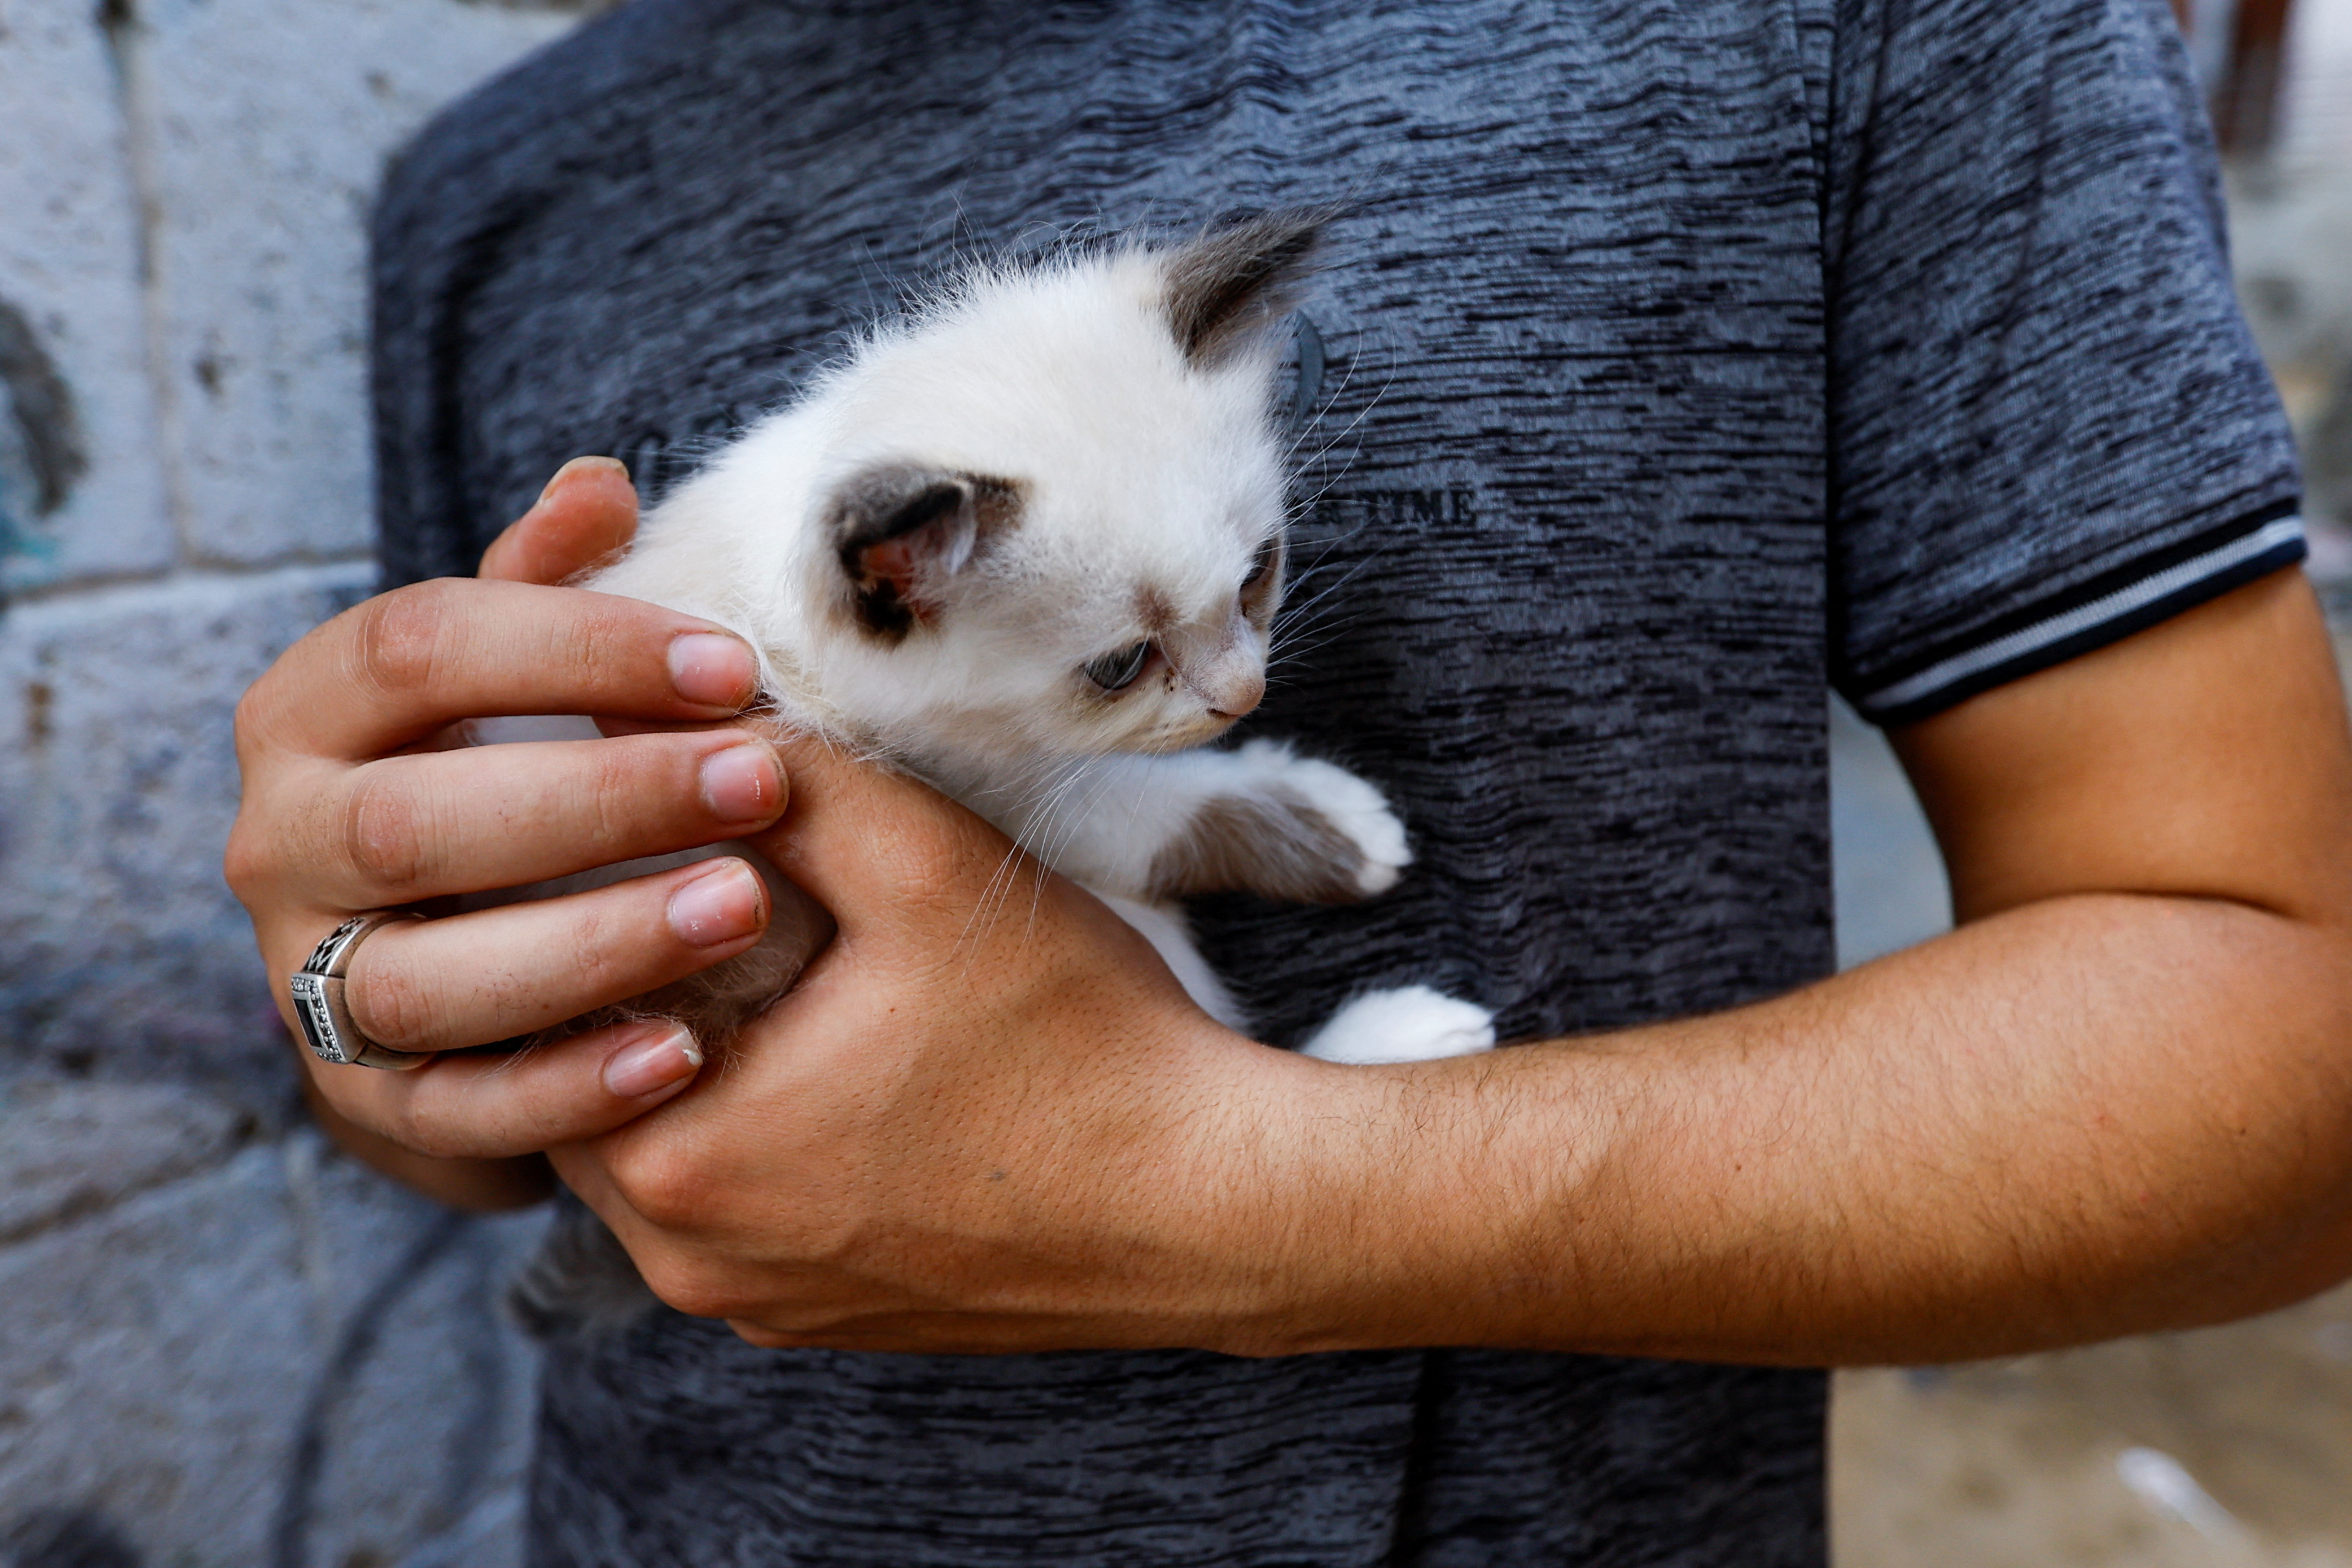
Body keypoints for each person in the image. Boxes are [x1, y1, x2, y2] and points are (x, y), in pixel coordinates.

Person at [226, 0, 2352, 1560]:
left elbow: (2290, 1049)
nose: (1243, 677)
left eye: (1254, 582)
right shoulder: (486, 195)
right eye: (1148, 654)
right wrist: (370, 1005)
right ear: (888, 574)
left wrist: (1240, 1184)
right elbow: (467, 1131)